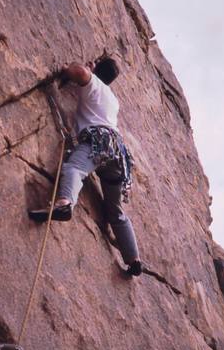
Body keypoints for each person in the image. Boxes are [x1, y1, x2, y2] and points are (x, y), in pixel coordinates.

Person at [29, 57, 142, 276]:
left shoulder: (95, 84)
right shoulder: (112, 99)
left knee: (74, 169)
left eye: (94, 62)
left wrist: (66, 68)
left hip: (99, 143)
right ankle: (134, 259)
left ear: (97, 69)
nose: (90, 62)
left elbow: (80, 73)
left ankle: (64, 203)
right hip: (117, 155)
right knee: (115, 211)